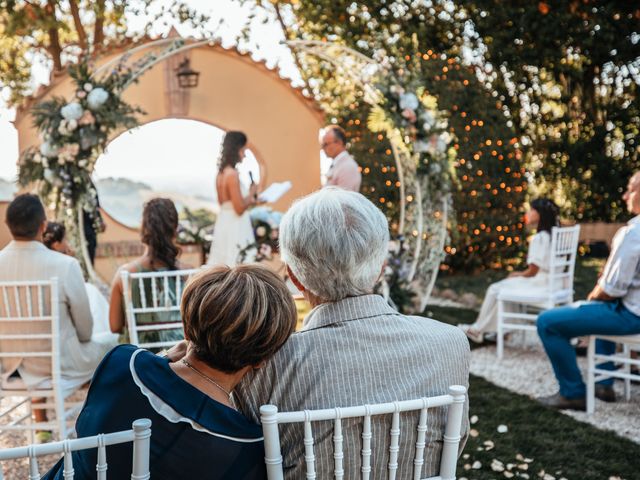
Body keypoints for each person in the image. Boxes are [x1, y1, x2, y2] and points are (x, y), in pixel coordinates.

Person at [170, 187, 470, 478]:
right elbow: (451, 447)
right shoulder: (451, 343)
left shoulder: (260, 365)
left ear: (295, 280)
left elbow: (243, 457)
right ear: (381, 268)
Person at [42, 264, 297, 480]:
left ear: (186, 331)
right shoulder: (246, 448)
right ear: (261, 360)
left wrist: (164, 357)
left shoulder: (121, 365)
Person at [0, 195, 115, 435]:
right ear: (43, 226)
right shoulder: (65, 265)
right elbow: (85, 331)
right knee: (116, 346)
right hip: (60, 365)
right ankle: (102, 424)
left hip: (8, 368)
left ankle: (43, 426)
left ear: (7, 224)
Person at [536, 172, 640, 410]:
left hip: (632, 316)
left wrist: (591, 300)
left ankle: (573, 392)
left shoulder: (633, 233)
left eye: (630, 189)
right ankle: (603, 383)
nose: (625, 195)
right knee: (599, 312)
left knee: (547, 322)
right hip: (632, 309)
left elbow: (610, 290)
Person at [459, 198, 559, 343]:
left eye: (532, 210)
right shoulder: (555, 235)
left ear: (539, 214)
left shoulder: (539, 238)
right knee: (506, 288)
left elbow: (532, 271)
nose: (528, 213)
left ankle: (478, 329)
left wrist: (517, 274)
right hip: (556, 283)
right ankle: (501, 330)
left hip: (541, 285)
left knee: (496, 289)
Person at [109, 198, 190, 346]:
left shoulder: (125, 275)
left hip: (140, 360)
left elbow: (115, 326)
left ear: (144, 229)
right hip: (180, 359)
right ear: (175, 229)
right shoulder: (191, 274)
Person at [43, 221, 116, 342]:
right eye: (65, 239)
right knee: (91, 292)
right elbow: (84, 332)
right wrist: (71, 260)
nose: (68, 243)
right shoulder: (67, 265)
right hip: (69, 338)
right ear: (56, 244)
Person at [207, 131, 258, 266]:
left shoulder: (220, 174)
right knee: (239, 262)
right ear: (236, 150)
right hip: (236, 226)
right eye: (243, 150)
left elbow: (223, 203)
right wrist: (252, 193)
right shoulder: (232, 174)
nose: (245, 154)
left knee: (223, 263)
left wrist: (249, 199)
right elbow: (239, 208)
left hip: (224, 222)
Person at [321, 125, 362, 192]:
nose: (323, 148)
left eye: (326, 144)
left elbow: (345, 200)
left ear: (339, 143)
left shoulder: (348, 166)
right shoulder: (338, 164)